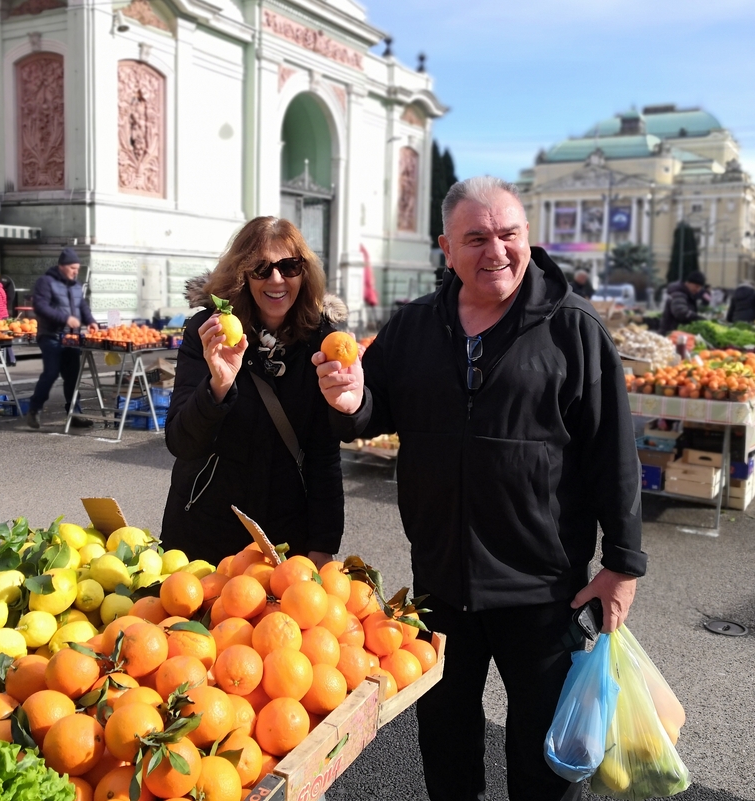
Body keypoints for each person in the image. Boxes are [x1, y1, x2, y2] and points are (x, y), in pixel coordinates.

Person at [314, 176, 646, 801]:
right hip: (440, 580)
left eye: (508, 234)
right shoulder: (415, 326)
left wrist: (623, 564)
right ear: (446, 249)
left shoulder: (573, 327)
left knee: (544, 759)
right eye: (476, 239)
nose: (496, 250)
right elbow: (369, 408)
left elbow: (613, 450)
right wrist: (350, 402)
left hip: (544, 588)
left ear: (527, 237)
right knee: (445, 740)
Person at [160, 217, 345, 566]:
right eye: (261, 268)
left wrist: (323, 542)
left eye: (289, 266)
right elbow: (181, 442)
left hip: (284, 539)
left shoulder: (321, 341)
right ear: (242, 274)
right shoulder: (209, 331)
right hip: (205, 530)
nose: (276, 279)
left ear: (303, 272)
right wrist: (217, 386)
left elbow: (324, 453)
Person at [26, 248, 98, 429]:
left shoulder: (76, 285)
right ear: (62, 266)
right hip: (51, 335)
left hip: (71, 337)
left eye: (77, 269)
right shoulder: (46, 282)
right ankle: (34, 409)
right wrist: (65, 318)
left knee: (72, 376)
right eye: (73, 268)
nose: (75, 272)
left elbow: (82, 306)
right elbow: (40, 307)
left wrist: (90, 321)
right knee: (51, 373)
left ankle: (75, 413)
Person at [659, 269, 708, 334]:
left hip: (676, 333)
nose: (698, 290)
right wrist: (699, 318)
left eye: (700, 288)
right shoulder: (678, 294)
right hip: (670, 333)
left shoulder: (687, 294)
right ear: (688, 283)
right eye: (696, 286)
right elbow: (681, 312)